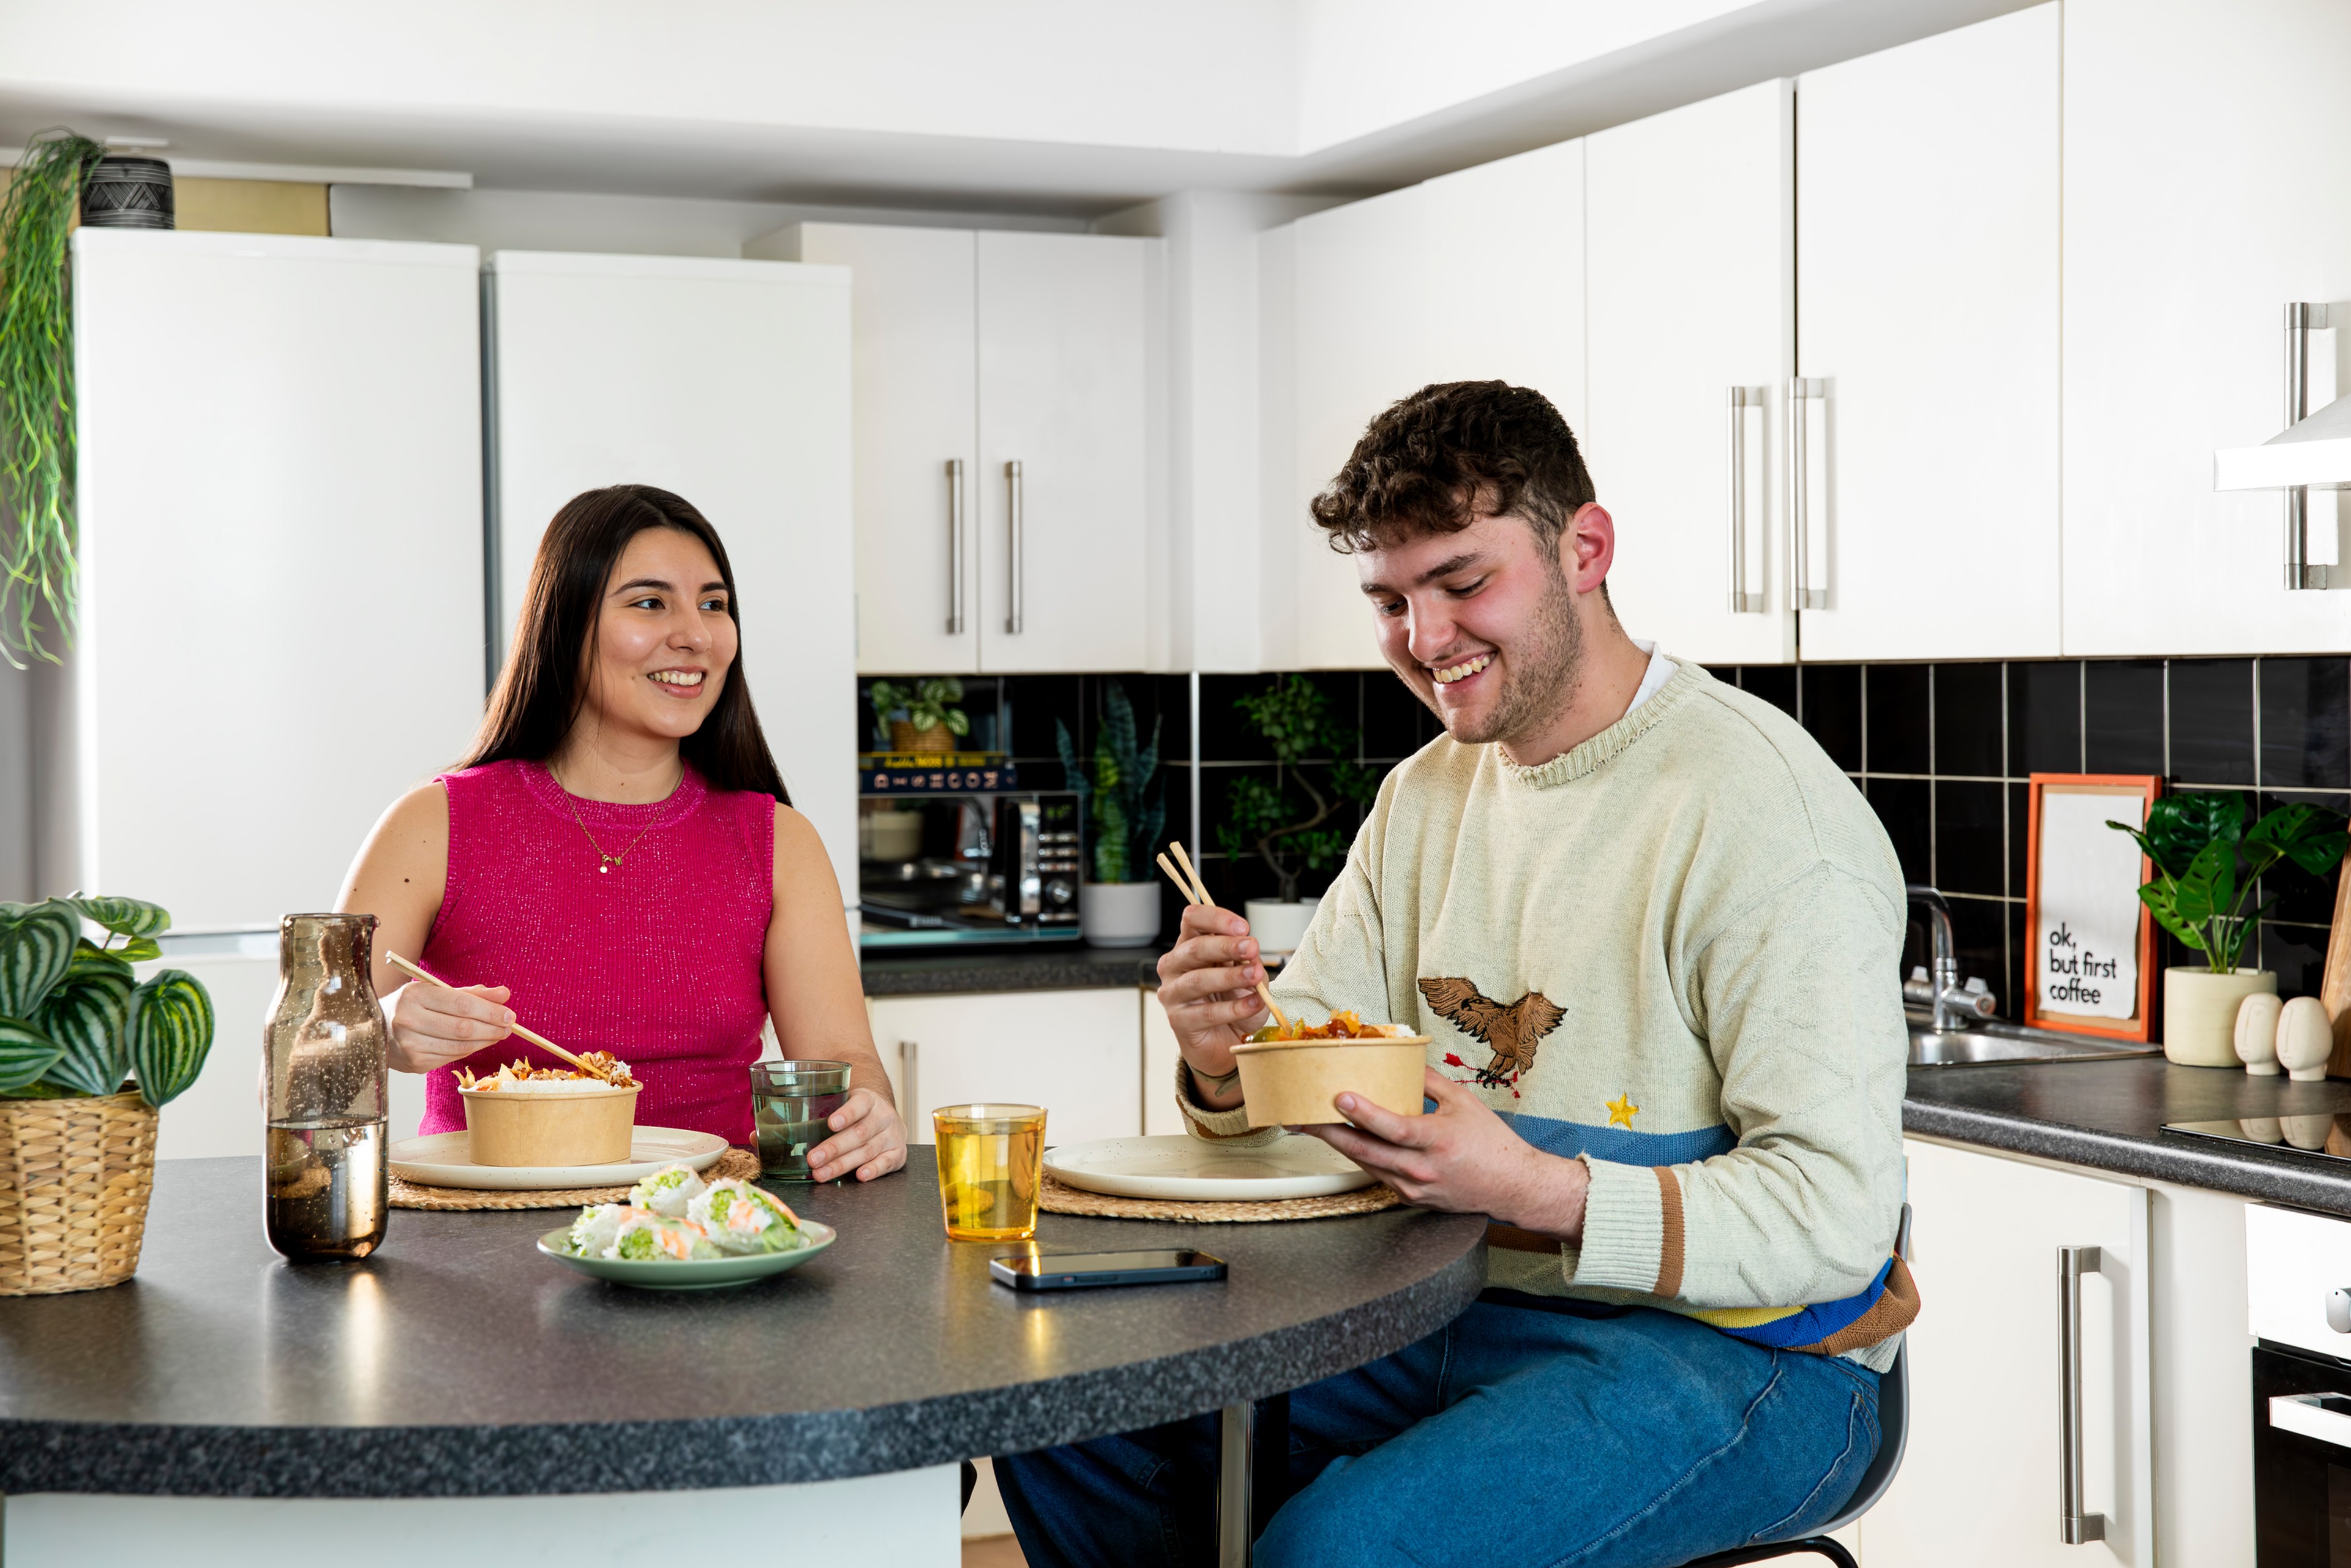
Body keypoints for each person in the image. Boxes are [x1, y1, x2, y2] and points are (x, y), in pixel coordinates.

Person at [997, 383, 1913, 1567]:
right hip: (1446, 1308)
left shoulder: (1767, 814)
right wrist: (1228, 1065)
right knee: (1063, 1412)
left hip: (1749, 1355)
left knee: (1342, 1552)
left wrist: (1541, 1189)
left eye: (1463, 583)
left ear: (1586, 550)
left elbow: (1834, 1219)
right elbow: (1308, 1083)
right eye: (1391, 600)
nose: (1425, 640)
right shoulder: (1424, 796)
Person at [338, 484, 905, 1182]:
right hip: (480, 1228)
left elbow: (848, 1066)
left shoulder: (780, 842)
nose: (696, 635)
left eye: (714, 604)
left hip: (708, 1224)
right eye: (650, 602)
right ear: (566, 623)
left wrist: (870, 1116)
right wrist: (381, 1031)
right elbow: (295, 1060)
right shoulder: (434, 824)